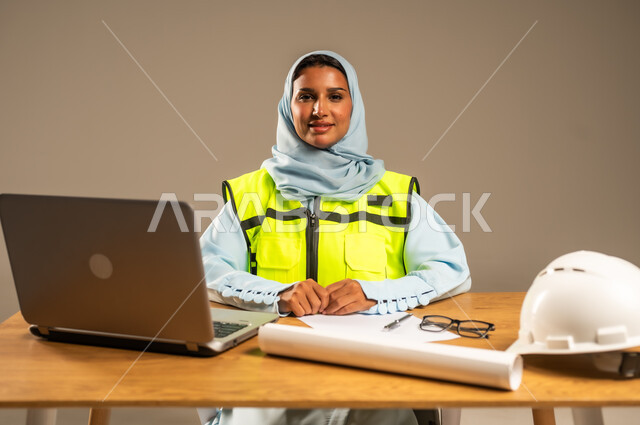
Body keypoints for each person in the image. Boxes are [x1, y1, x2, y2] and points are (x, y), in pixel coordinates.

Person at [198, 51, 471, 425]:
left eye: (335, 96)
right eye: (306, 96)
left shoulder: (398, 193)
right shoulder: (251, 194)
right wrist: (277, 295)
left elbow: (451, 269)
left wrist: (374, 293)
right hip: (271, 373)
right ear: (287, 106)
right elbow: (205, 269)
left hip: (371, 373)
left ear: (353, 106)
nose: (319, 110)